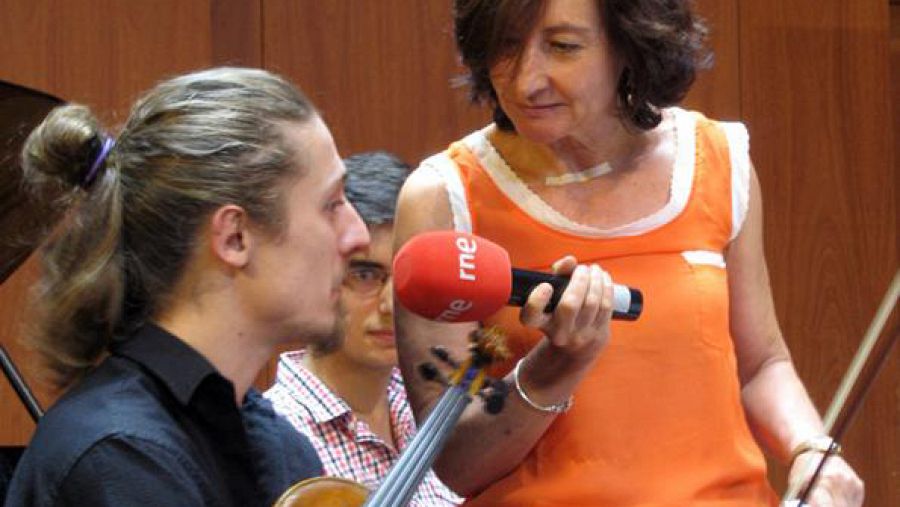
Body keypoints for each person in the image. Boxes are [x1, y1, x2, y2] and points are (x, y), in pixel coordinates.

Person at [392, 1, 865, 506]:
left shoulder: (716, 160)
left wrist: (811, 450)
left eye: (563, 46)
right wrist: (552, 371)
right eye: (505, 45)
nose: (526, 81)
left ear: (629, 42)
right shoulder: (443, 197)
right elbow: (456, 465)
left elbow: (762, 364)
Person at [4, 67, 370, 506]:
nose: (358, 235)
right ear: (234, 237)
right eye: (331, 204)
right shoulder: (121, 458)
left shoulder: (282, 450)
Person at [265, 151, 463, 506]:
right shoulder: (274, 439)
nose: (392, 305)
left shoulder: (435, 409)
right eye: (366, 275)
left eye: (408, 275)